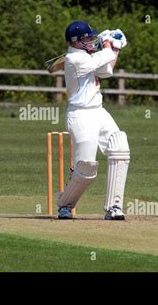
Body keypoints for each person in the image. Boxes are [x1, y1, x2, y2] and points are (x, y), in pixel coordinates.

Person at [57, 20, 130, 220]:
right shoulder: (74, 59)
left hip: (98, 111)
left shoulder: (88, 57)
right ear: (77, 41)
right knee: (87, 168)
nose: (91, 40)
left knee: (120, 148)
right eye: (88, 38)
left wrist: (115, 49)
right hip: (80, 115)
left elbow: (106, 70)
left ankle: (114, 207)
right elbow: (103, 56)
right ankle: (65, 203)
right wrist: (108, 43)